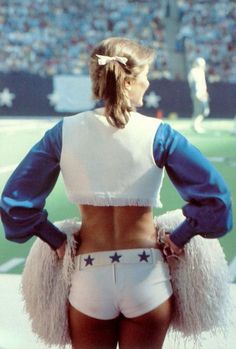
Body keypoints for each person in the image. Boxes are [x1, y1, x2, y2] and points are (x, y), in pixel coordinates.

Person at [0, 37, 233, 349]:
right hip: (146, 275)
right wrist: (180, 236)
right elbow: (217, 202)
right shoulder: (160, 134)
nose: (149, 82)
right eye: (145, 75)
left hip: (88, 277)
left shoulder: (62, 133)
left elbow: (14, 203)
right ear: (130, 80)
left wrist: (54, 239)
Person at [188, 57, 210, 133]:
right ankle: (196, 126)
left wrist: (205, 92)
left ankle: (196, 124)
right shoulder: (194, 71)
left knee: (203, 111)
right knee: (200, 110)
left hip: (202, 93)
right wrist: (197, 93)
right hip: (198, 93)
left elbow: (203, 84)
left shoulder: (201, 71)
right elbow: (194, 84)